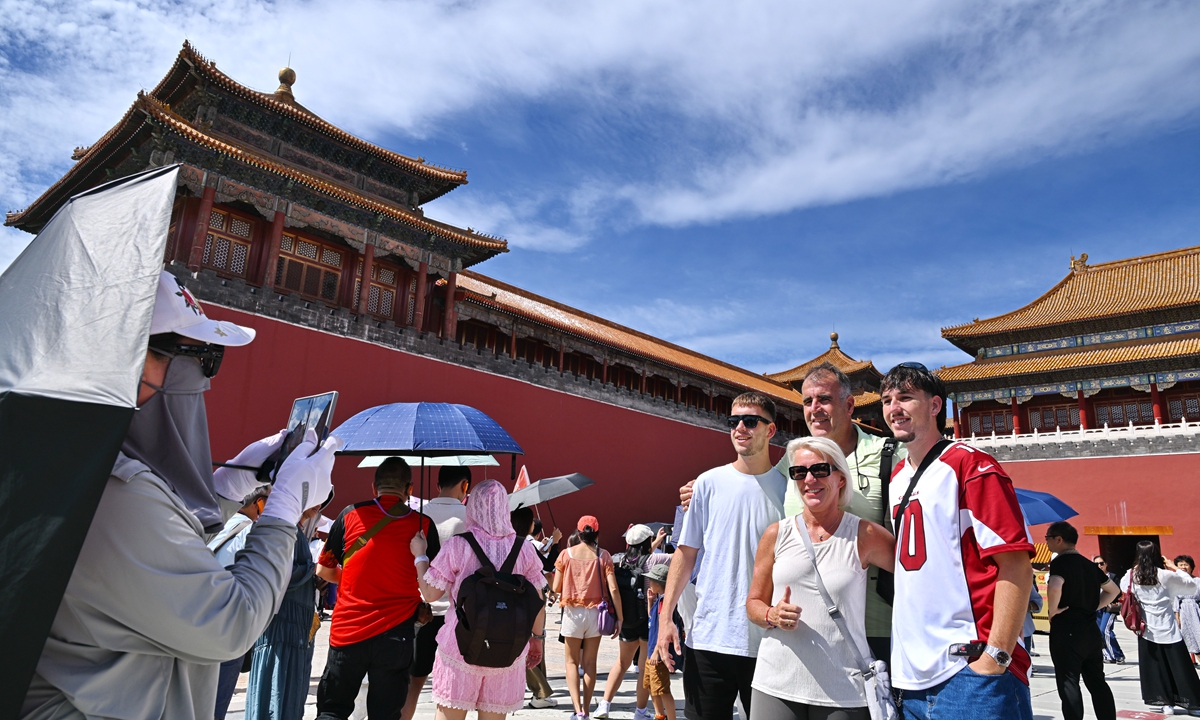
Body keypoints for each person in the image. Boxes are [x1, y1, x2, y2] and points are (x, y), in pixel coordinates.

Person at [21, 270, 339, 720]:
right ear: (125, 357)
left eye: (209, 357)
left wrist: (226, 491)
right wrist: (284, 509)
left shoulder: (69, 456)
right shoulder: (117, 493)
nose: (202, 377)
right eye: (194, 355)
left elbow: (157, 544)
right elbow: (230, 624)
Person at [682, 364, 904, 662]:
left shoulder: (888, 454)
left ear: (850, 405)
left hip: (873, 625)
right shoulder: (792, 461)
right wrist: (705, 487)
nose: (815, 409)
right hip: (803, 622)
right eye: (807, 402)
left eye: (824, 399)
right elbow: (758, 483)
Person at [881, 363, 1035, 720]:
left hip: (970, 672)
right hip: (912, 676)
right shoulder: (897, 477)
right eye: (887, 400)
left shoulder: (971, 465)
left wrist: (996, 656)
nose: (894, 408)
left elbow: (1016, 565)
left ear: (935, 406)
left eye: (906, 397)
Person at [745, 436, 896, 720]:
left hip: (845, 686)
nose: (810, 479)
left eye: (820, 470)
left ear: (840, 478)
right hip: (776, 680)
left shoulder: (864, 535)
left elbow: (917, 574)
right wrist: (772, 614)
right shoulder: (776, 534)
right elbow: (753, 603)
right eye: (799, 472)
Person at [656, 392, 787, 720]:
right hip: (709, 639)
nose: (740, 428)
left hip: (769, 642)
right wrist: (666, 618)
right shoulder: (706, 485)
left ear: (770, 430)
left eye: (750, 421)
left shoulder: (790, 491)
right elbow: (684, 556)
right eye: (733, 421)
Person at [409, 479, 548, 720]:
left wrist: (420, 556)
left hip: (460, 649)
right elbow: (537, 600)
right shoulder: (524, 549)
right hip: (508, 650)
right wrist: (537, 639)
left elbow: (430, 594)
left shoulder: (458, 545)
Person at [315, 457, 440, 720]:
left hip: (348, 632)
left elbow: (323, 570)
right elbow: (433, 581)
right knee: (386, 715)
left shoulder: (350, 515)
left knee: (332, 712)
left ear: (374, 488)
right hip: (396, 636)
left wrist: (349, 577)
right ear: (410, 490)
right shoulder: (423, 526)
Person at [401, 466, 472, 720]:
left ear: (437, 485)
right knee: (450, 694)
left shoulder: (418, 516)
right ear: (465, 486)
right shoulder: (471, 517)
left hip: (422, 611)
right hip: (460, 617)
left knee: (411, 687)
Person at [245, 505, 325, 720]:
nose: (318, 507)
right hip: (282, 625)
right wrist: (313, 570)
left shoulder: (294, 529)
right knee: (277, 688)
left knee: (288, 690)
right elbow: (279, 571)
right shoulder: (284, 528)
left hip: (294, 626)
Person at [1044, 521, 1119, 720]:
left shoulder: (1060, 562)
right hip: (1090, 631)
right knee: (1097, 682)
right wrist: (1095, 605)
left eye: (1048, 538)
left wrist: (1053, 611)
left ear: (1058, 539)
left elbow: (1055, 586)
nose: (1047, 542)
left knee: (1069, 682)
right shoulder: (1089, 564)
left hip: (1067, 631)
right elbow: (1114, 590)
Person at [597, 524, 672, 720]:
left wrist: (653, 543)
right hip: (648, 619)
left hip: (627, 619)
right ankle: (640, 711)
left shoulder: (621, 560)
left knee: (621, 663)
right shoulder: (657, 559)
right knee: (644, 667)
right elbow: (677, 559)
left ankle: (604, 705)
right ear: (648, 541)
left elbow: (642, 556)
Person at [210, 485, 272, 720]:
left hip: (201, 618)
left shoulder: (219, 523)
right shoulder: (251, 533)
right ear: (258, 502)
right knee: (217, 702)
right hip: (229, 625)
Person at [554, 515, 624, 720]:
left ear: (578, 533)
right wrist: (620, 618)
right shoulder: (604, 556)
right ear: (597, 533)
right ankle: (587, 707)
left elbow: (556, 587)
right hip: (597, 613)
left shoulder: (566, 555)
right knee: (590, 663)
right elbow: (613, 589)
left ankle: (578, 712)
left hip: (572, 613)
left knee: (571, 662)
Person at [1120, 541, 1200, 715]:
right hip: (1168, 627)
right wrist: (1174, 567)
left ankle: (1166, 703)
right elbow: (1191, 585)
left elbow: (1122, 586)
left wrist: (1134, 567)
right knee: (1181, 668)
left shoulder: (1133, 575)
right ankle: (1192, 703)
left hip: (1146, 629)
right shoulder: (1164, 575)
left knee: (1156, 668)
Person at [512, 507, 558, 709]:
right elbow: (546, 566)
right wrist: (555, 542)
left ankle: (540, 693)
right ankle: (541, 692)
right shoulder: (526, 546)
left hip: (510, 603)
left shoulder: (507, 544)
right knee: (531, 648)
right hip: (529, 603)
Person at [644, 564, 676, 720]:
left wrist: (657, 651)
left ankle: (670, 717)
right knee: (651, 686)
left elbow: (662, 629)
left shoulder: (665, 602)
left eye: (651, 580)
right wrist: (651, 602)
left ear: (659, 582)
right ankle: (659, 715)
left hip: (658, 652)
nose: (649, 582)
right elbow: (653, 620)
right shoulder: (659, 600)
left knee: (663, 689)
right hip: (651, 652)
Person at [1093, 556, 1126, 664]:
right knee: (1098, 632)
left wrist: (1113, 599)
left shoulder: (1112, 576)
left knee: (1105, 630)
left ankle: (1118, 654)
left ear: (1106, 564)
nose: (1099, 566)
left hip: (1110, 608)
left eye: (1101, 563)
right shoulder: (1092, 576)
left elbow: (1118, 591)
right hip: (1097, 608)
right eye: (1096, 564)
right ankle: (1108, 656)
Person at [1174, 555, 1200, 665]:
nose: (1183, 567)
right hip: (1184, 610)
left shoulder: (1197, 580)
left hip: (1196, 609)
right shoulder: (1176, 582)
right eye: (1181, 565)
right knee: (1190, 638)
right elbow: (1175, 599)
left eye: (1186, 564)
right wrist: (1177, 616)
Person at [1023, 572, 1043, 658]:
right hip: (993, 634)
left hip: (1024, 631)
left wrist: (1026, 606)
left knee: (1023, 667)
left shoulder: (1023, 579)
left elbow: (1038, 602)